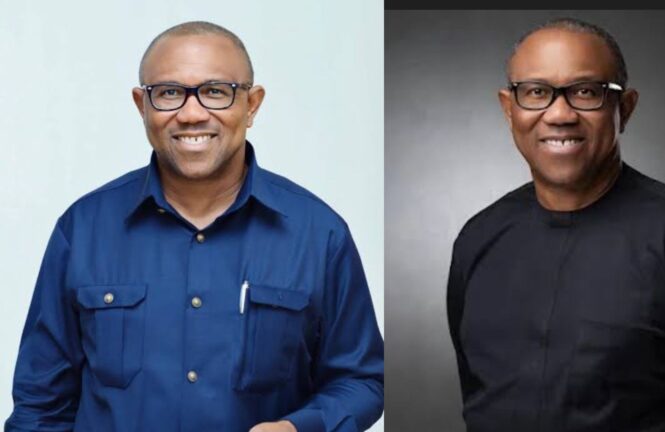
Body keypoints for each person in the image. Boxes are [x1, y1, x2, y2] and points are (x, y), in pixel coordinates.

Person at [5, 21, 383, 432]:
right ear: (142, 105)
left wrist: (300, 428)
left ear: (252, 105)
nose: (191, 114)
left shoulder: (319, 235)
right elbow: (39, 406)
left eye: (216, 91)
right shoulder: (82, 229)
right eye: (169, 93)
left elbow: (362, 380)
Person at [447, 17, 665, 431]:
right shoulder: (478, 239)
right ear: (509, 109)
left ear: (625, 108)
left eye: (586, 92)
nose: (559, 114)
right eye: (536, 92)